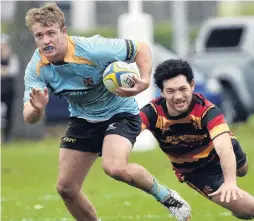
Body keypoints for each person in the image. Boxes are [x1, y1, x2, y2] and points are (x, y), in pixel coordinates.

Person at [23, 3, 191, 221]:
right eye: (39, 35)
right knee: (66, 188)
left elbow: (141, 48)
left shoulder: (93, 48)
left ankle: (168, 197)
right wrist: (37, 107)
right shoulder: (36, 68)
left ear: (64, 32)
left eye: (51, 33)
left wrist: (144, 81)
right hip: (83, 119)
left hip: (120, 113)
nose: (46, 40)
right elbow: (29, 116)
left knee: (115, 167)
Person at [140, 59, 254, 220]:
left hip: (221, 152)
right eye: (170, 91)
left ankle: (235, 181)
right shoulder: (152, 112)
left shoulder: (207, 110)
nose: (178, 97)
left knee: (242, 170)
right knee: (250, 210)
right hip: (196, 171)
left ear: (192, 85)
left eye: (183, 89)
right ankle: (249, 202)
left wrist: (230, 183)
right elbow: (129, 131)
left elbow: (224, 148)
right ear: (162, 92)